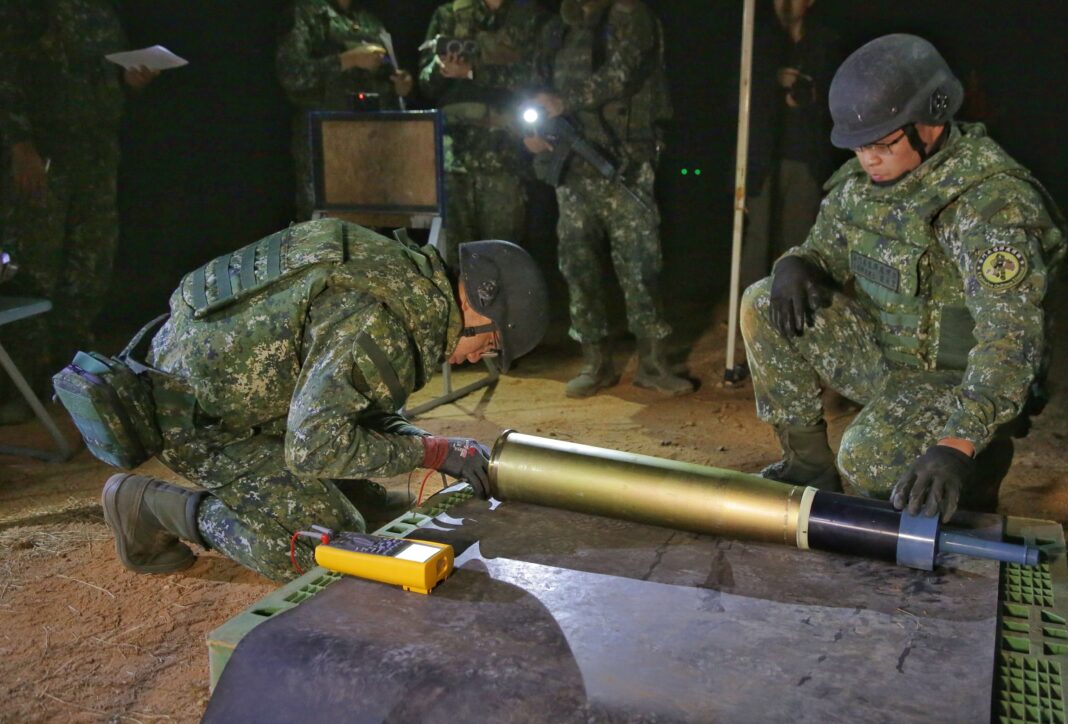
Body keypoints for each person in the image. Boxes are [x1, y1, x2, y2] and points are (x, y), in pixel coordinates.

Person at [98, 219, 549, 581]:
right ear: (476, 305)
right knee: (327, 549)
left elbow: (353, 402)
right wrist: (433, 451)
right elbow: (313, 447)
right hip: (194, 422)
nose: (479, 356)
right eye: (491, 344)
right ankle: (149, 506)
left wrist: (443, 449)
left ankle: (353, 500)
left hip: (238, 395)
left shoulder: (404, 282)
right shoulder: (386, 322)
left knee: (366, 517)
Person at [740, 34, 1067, 522]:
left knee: (867, 460)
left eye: (882, 144)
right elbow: (821, 251)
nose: (868, 159)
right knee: (764, 300)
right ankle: (808, 467)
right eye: (859, 146)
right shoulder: (862, 184)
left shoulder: (991, 204)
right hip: (884, 359)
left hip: (958, 380)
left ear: (930, 122)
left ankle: (979, 466)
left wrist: (957, 444)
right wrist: (796, 262)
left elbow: (1011, 341)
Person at [0, 0, 155, 425]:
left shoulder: (99, 9)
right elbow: (5, 74)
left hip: (96, 154)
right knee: (35, 272)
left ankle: (67, 384)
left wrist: (131, 81)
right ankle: (22, 391)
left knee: (88, 271)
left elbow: (104, 76)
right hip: (43, 157)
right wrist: (20, 146)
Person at [525, 0, 691, 398]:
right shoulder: (557, 29)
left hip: (625, 164)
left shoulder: (632, 16)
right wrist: (531, 130)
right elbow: (534, 87)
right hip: (571, 165)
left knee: (640, 265)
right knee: (577, 264)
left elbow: (622, 75)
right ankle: (595, 362)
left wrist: (564, 102)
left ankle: (653, 363)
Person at [418, 0, 548, 270]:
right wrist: (441, 69)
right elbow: (425, 84)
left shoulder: (529, 16)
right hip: (454, 160)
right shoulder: (448, 15)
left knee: (503, 259)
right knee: (457, 262)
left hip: (506, 156)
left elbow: (538, 75)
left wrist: (472, 72)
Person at [276, 0, 414, 221]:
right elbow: (292, 74)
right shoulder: (308, 14)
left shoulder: (370, 21)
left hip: (369, 147)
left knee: (367, 229)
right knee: (321, 232)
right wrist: (347, 60)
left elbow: (386, 78)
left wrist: (400, 86)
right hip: (324, 145)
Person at [740, 0, 844, 284]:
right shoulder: (757, 42)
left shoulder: (825, 44)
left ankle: (792, 304)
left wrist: (809, 94)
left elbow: (836, 103)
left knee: (798, 242)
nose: (785, 3)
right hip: (763, 160)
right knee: (758, 239)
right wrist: (772, 82)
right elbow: (737, 101)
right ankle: (751, 305)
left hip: (806, 159)